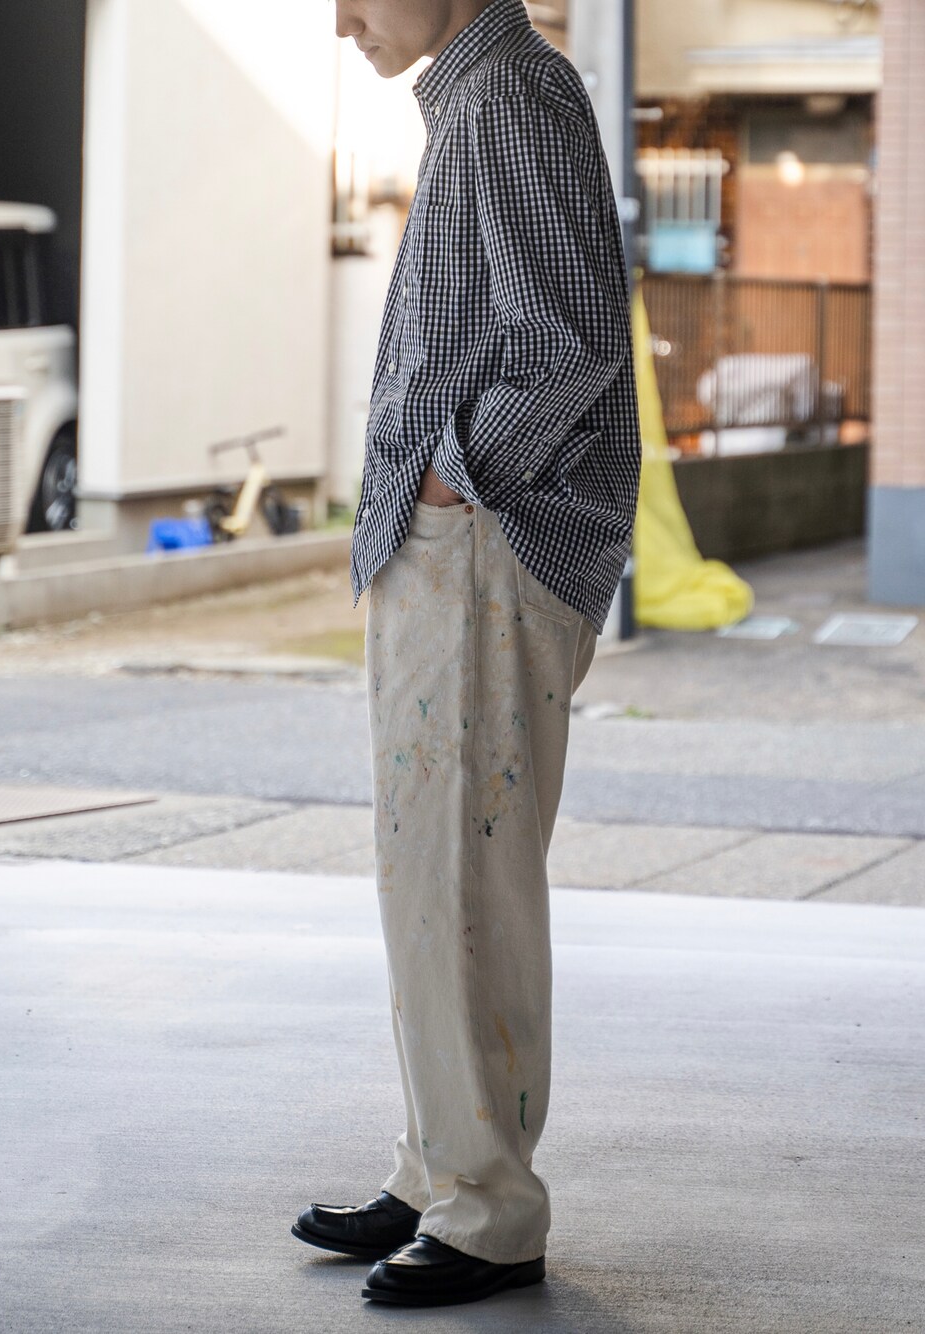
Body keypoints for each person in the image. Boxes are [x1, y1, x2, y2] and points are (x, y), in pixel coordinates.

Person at [293, 0, 641, 1308]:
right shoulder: (478, 98)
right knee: (429, 882)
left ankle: (489, 1210)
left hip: (485, 543)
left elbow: (566, 346)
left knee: (463, 884)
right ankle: (441, 1165)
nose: (342, 23)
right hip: (452, 540)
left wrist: (452, 482)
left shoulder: (513, 99)